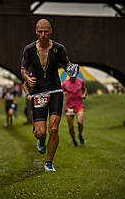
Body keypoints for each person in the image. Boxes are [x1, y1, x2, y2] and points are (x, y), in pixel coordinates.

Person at [21, 18, 77, 172]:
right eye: (40, 31)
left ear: (51, 31)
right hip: (38, 92)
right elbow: (23, 69)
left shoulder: (59, 48)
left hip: (55, 91)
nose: (43, 34)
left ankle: (49, 163)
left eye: (46, 31)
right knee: (41, 132)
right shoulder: (29, 49)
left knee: (53, 129)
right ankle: (40, 140)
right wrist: (27, 78)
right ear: (36, 31)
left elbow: (67, 64)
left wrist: (71, 69)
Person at [62, 70, 87, 147]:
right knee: (71, 127)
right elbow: (62, 91)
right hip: (69, 107)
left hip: (79, 106)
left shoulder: (81, 81)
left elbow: (85, 90)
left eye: (75, 74)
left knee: (80, 122)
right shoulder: (65, 83)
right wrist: (63, 93)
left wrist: (84, 95)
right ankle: (74, 140)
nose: (73, 75)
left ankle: (80, 135)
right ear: (69, 74)